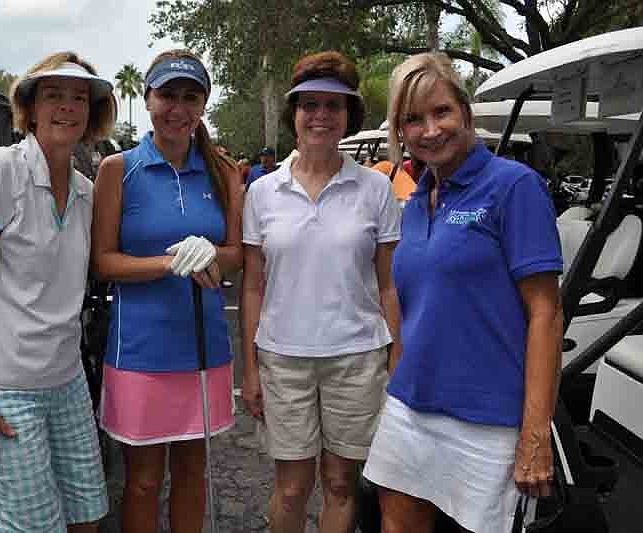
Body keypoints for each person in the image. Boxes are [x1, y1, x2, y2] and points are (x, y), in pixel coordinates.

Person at [362, 52, 563, 533]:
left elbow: (547, 314)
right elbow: (412, 307)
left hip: (487, 419)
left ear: (465, 113)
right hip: (411, 408)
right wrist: (395, 381)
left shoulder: (514, 188)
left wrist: (535, 434)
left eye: (441, 112)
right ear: (401, 131)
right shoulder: (413, 204)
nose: (429, 130)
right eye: (413, 119)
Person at [0, 52, 117, 533]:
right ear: (30, 108)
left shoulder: (84, 190)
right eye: (53, 94)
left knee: (88, 519)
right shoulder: (0, 170)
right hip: (7, 391)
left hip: (69, 384)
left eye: (80, 97)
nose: (67, 107)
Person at [241, 51, 402, 533]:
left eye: (334, 106)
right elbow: (252, 284)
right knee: (291, 489)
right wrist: (250, 367)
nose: (321, 116)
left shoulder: (376, 189)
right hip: (283, 358)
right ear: (294, 114)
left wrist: (397, 360)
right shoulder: (263, 192)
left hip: (357, 357)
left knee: (339, 485)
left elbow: (389, 284)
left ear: (348, 116)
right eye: (310, 105)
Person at [91, 49, 242, 533]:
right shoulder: (119, 169)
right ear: (149, 98)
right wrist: (169, 262)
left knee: (193, 472)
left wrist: (213, 255)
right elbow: (102, 261)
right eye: (167, 95)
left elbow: (238, 254)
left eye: (190, 97)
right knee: (142, 480)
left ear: (203, 105)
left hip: (203, 347)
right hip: (139, 350)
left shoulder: (223, 170)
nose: (177, 108)